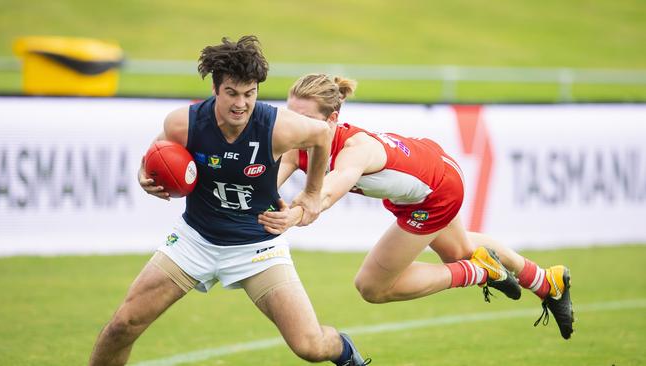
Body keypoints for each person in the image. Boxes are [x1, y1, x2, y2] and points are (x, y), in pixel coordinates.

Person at [89, 37, 370, 366]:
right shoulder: (185, 123)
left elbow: (323, 135)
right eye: (232, 93)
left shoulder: (278, 127)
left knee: (310, 346)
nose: (241, 104)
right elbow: (158, 149)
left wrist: (310, 194)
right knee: (123, 325)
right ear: (215, 89)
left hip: (258, 248)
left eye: (250, 94)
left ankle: (347, 354)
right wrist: (144, 172)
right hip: (194, 240)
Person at [258, 73, 574, 340]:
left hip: (437, 189)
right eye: (292, 115)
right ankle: (548, 281)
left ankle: (479, 271)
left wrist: (293, 215)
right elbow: (264, 186)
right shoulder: (298, 145)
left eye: (307, 119)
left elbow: (324, 196)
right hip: (425, 172)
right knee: (459, 250)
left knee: (372, 287)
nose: (298, 126)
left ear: (332, 120)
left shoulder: (355, 149)